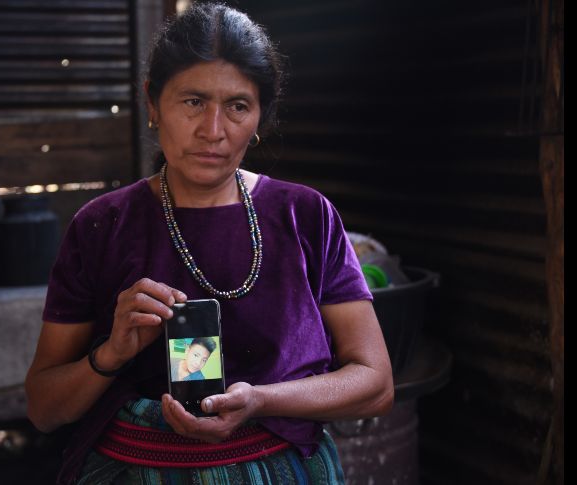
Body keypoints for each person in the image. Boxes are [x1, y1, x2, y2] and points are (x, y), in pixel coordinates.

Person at [25, 3, 394, 484]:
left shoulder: (305, 216)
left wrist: (262, 400)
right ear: (153, 104)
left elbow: (375, 382)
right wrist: (110, 354)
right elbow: (44, 408)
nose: (213, 131)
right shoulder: (103, 225)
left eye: (238, 106)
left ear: (260, 116)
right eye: (193, 101)